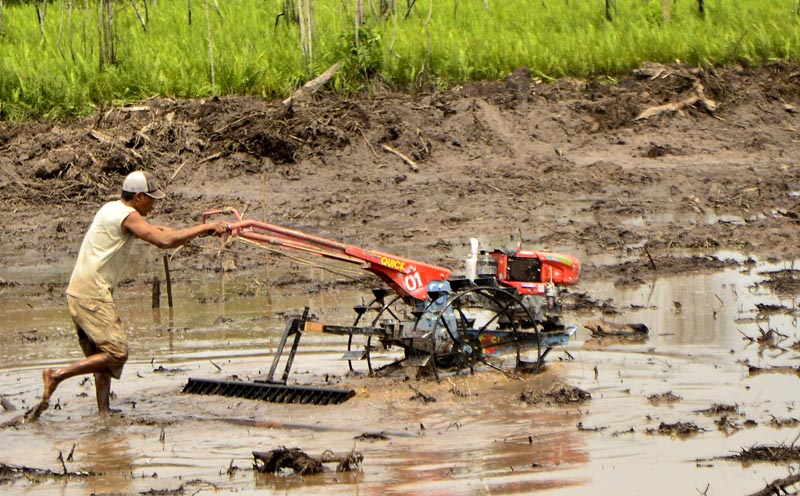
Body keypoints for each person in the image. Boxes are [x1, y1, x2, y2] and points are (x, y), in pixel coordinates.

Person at [33, 170, 228, 419]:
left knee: (100, 358)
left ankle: (104, 414)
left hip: (79, 292)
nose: (154, 203)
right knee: (117, 353)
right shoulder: (127, 215)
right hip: (92, 293)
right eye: (151, 198)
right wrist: (208, 226)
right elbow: (163, 240)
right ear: (138, 197)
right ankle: (56, 375)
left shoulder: (112, 209)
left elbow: (159, 231)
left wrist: (199, 232)